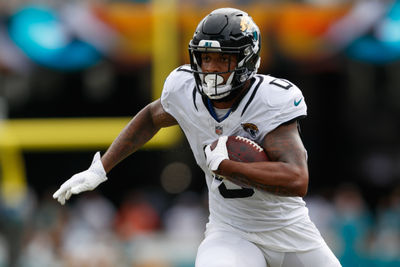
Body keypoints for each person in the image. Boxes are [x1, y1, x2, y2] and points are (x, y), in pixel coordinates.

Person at [53, 7, 342, 267]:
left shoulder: (270, 99)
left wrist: (230, 167)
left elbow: (297, 179)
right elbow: (152, 116)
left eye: (222, 59)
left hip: (290, 231)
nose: (211, 69)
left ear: (247, 59)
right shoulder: (183, 89)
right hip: (231, 232)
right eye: (205, 58)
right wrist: (101, 167)